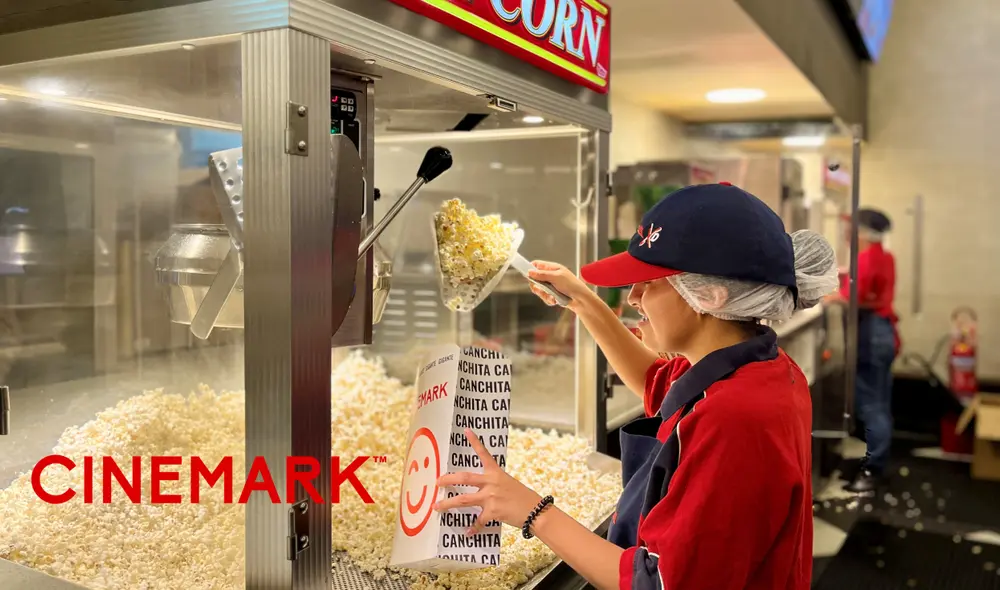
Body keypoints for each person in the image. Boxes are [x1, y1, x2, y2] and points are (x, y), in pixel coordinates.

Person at [433, 182, 840, 590]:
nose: (632, 297)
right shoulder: (757, 367)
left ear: (709, 296)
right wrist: (582, 301)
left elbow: (659, 583)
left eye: (649, 282)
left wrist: (531, 510)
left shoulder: (735, 417)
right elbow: (654, 381)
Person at [837, 208, 899, 494]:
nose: (847, 234)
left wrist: (830, 298)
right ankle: (877, 462)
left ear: (861, 233)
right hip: (885, 332)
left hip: (871, 334)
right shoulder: (884, 256)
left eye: (851, 228)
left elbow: (857, 298)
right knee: (880, 402)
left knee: (871, 405)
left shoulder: (866, 258)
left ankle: (871, 471)